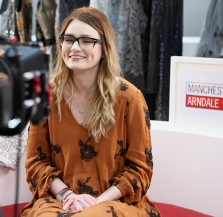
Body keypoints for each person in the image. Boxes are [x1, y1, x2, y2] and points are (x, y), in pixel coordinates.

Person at [20, 6, 161, 217]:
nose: (75, 47)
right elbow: (36, 164)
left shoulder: (129, 97)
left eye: (86, 40)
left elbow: (140, 171)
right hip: (60, 202)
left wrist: (94, 203)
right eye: (68, 39)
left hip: (116, 202)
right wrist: (67, 195)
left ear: (104, 48)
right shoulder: (47, 94)